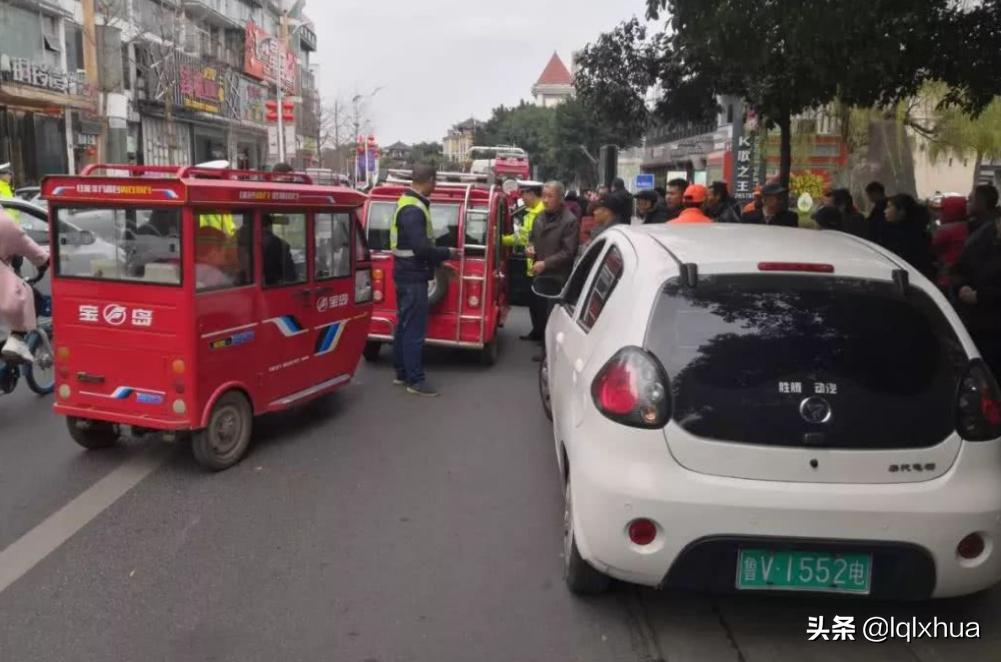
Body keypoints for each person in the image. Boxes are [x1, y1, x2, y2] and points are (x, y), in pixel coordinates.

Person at [391, 163, 460, 396]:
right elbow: (421, 248)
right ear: (429, 180)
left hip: (404, 274)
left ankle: (402, 373)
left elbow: (414, 247)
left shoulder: (407, 203)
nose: (436, 186)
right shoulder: (414, 210)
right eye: (435, 182)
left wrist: (439, 265)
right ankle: (415, 381)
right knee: (414, 331)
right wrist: (448, 252)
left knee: (403, 326)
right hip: (413, 278)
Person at [528, 181, 579, 361]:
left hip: (557, 276)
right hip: (540, 272)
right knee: (540, 312)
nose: (546, 200)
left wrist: (546, 263)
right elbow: (531, 238)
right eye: (544, 195)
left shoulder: (569, 221)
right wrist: (530, 248)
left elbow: (568, 252)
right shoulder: (539, 216)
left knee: (552, 315)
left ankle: (550, 354)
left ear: (560, 198)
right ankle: (544, 347)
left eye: (550, 196)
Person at [952, 199, 1001, 378]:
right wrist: (961, 287)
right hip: (978, 324)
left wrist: (981, 296)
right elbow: (960, 268)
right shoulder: (982, 241)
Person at [0, 209, 48, 362]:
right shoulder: (4, 222)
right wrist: (43, 261)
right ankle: (17, 339)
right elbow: (26, 244)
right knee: (31, 296)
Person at [503, 184, 546, 341]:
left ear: (532, 194)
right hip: (531, 265)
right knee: (533, 303)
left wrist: (502, 240)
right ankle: (537, 331)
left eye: (524, 195)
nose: (522, 199)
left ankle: (542, 336)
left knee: (540, 305)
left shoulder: (541, 213)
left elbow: (523, 238)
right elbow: (523, 237)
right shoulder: (532, 212)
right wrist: (502, 240)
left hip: (540, 266)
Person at [882, 194, 936, 281]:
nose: (885, 211)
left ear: (901, 211)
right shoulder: (916, 230)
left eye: (889, 207)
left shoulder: (905, 235)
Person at [932, 195, 970, 290]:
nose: (939, 214)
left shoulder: (945, 230)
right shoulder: (968, 226)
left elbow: (933, 248)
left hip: (947, 276)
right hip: (964, 274)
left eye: (942, 210)